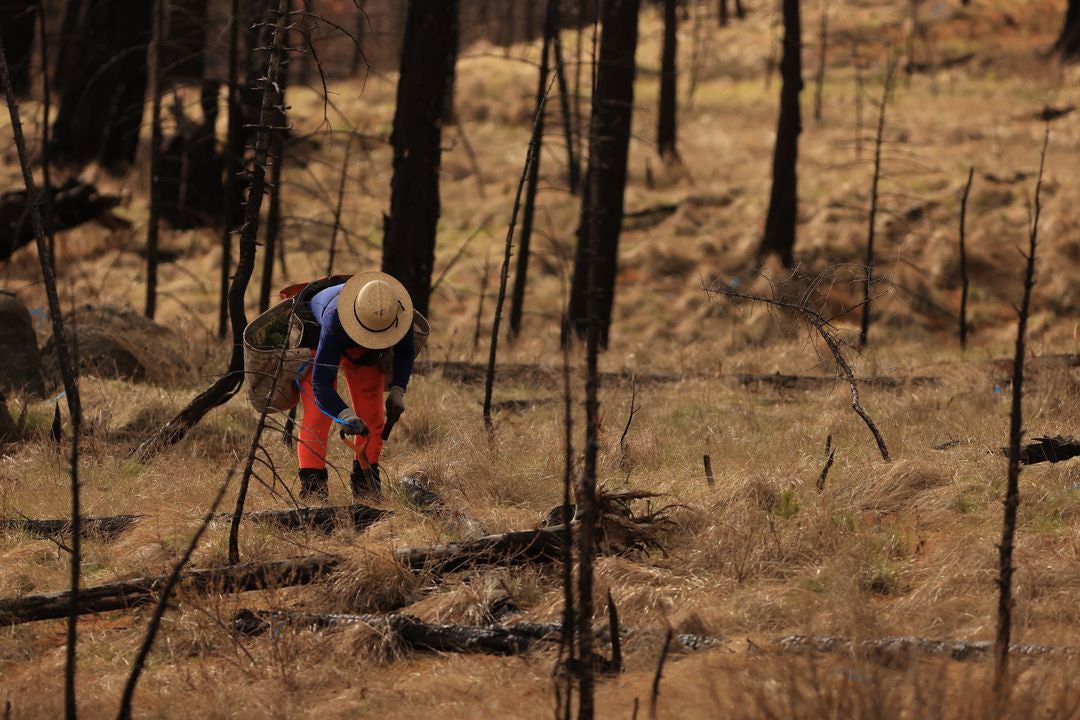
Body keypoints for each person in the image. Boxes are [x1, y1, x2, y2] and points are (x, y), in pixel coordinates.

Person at [294, 271, 414, 501]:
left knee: (373, 415)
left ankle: (366, 487)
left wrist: (398, 391)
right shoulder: (335, 320)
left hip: (365, 348)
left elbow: (405, 352)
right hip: (317, 332)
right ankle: (313, 489)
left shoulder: (398, 312)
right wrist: (345, 415)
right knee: (318, 416)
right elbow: (321, 384)